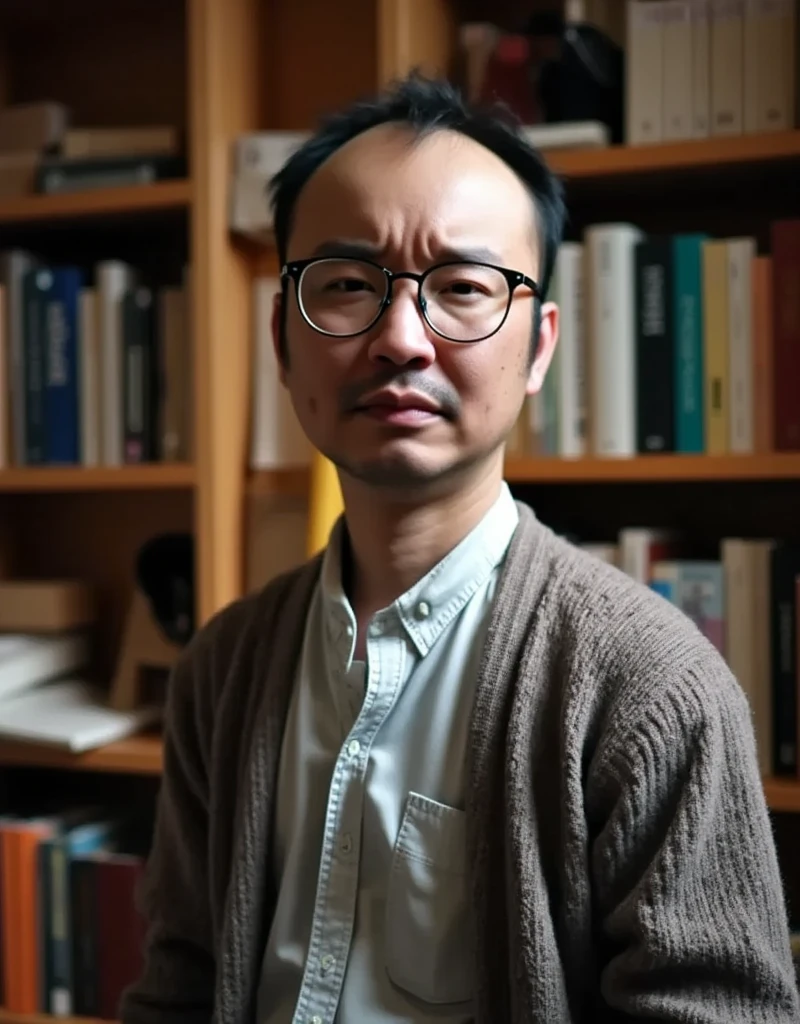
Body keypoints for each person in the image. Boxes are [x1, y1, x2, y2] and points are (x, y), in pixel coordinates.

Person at [121, 74, 800, 1024]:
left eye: (464, 289)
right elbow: (180, 988)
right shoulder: (223, 670)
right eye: (349, 285)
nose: (402, 338)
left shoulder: (652, 689)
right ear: (281, 336)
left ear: (538, 348)